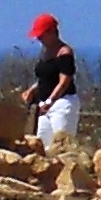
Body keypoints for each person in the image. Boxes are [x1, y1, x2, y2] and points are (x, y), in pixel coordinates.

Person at [24, 13, 80, 145]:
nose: (39, 39)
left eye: (42, 35)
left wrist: (51, 100)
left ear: (52, 32)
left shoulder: (64, 53)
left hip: (61, 104)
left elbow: (64, 81)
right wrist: (32, 90)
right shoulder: (45, 53)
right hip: (45, 106)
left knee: (61, 143)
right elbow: (46, 78)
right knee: (42, 144)